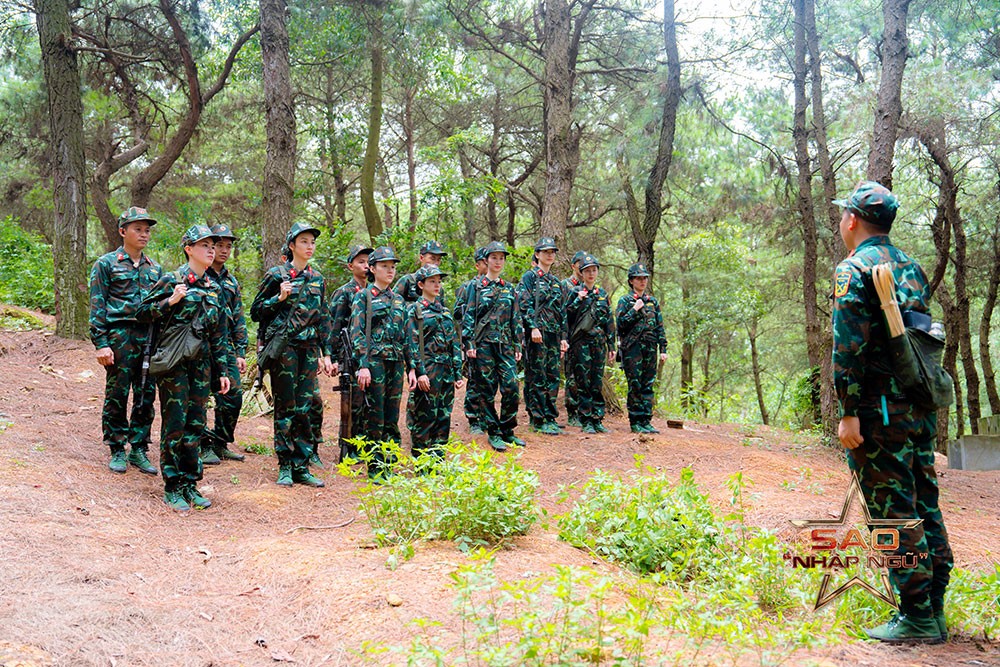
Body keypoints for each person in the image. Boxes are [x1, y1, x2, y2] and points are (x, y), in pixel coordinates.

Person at [832, 180, 953, 643]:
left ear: (853, 220)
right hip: (918, 405)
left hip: (879, 411)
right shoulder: (912, 267)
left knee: (891, 512)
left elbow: (849, 347)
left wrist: (847, 411)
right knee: (924, 502)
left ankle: (917, 614)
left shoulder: (854, 270)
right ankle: (934, 606)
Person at [137, 225, 232, 511]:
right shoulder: (173, 279)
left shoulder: (214, 287)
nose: (211, 250)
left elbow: (219, 334)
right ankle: (172, 485)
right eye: (204, 245)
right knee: (175, 424)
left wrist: (223, 371)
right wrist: (170, 301)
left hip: (201, 366)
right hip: (175, 365)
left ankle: (190, 483)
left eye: (212, 245)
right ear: (189, 249)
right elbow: (142, 313)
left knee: (196, 423)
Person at [250, 222, 332, 488]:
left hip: (308, 351)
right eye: (304, 241)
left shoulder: (317, 278)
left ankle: (302, 465)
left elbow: (323, 318)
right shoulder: (277, 275)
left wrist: (325, 352)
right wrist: (279, 298)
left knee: (306, 407)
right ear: (292, 245)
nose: (310, 246)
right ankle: (285, 464)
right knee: (286, 406)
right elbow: (256, 311)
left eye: (312, 242)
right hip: (285, 349)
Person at [89, 206, 163, 475]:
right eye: (138, 229)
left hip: (148, 337)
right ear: (123, 231)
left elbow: (159, 306)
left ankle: (139, 448)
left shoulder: (155, 269)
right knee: (118, 393)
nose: (144, 234)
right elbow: (98, 306)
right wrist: (101, 342)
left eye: (147, 230)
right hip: (119, 336)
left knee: (145, 394)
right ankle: (117, 447)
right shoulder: (106, 264)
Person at [350, 246, 408, 479]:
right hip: (374, 362)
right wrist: (362, 364)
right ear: (372, 269)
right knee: (375, 414)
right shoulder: (363, 297)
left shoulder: (399, 300)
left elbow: (406, 335)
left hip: (395, 362)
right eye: (384, 266)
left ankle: (389, 464)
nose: (390, 270)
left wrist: (412, 367)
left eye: (392, 266)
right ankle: (375, 467)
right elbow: (357, 333)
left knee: (392, 415)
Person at [463, 241, 524, 452]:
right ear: (486, 261)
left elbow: (515, 318)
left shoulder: (509, 289)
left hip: (505, 344)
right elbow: (469, 315)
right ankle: (494, 431)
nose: (498, 262)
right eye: (494, 258)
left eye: (501, 258)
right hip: (483, 345)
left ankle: (508, 429)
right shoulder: (476, 286)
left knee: (511, 386)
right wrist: (469, 342)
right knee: (486, 389)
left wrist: (518, 343)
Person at [405, 265, 464, 460]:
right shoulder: (415, 310)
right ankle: (422, 461)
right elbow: (412, 342)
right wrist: (419, 371)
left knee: (443, 416)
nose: (437, 285)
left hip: (446, 371)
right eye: (432, 281)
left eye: (439, 281)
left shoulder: (445, 312)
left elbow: (454, 342)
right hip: (428, 370)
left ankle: (438, 459)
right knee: (424, 416)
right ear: (421, 284)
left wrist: (457, 373)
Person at [201, 224, 248, 465]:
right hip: (200, 345)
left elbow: (239, 318)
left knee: (233, 395)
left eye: (228, 246)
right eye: (219, 245)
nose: (224, 250)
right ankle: (201, 444)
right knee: (199, 397)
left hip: (226, 347)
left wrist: (240, 351)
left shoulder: (231, 282)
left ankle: (220, 442)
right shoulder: (198, 274)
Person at [517, 237, 568, 435]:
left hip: (553, 335)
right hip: (537, 335)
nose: (549, 255)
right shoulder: (529, 278)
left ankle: (549, 416)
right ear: (537, 254)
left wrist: (564, 337)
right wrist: (533, 327)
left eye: (552, 252)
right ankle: (537, 418)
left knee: (552, 375)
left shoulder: (556, 282)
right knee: (536, 375)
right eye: (545, 252)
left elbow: (561, 311)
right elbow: (524, 303)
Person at [328, 243, 373, 460]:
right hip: (349, 355)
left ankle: (363, 443)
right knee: (353, 402)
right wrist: (334, 357)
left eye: (368, 262)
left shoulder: (373, 292)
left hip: (370, 356)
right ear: (350, 266)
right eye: (361, 262)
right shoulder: (344, 293)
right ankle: (349, 445)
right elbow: (334, 327)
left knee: (368, 402)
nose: (366, 266)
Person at [565, 254, 615, 433]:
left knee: (596, 382)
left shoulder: (602, 294)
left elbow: (609, 321)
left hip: (598, 343)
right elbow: (567, 317)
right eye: (587, 271)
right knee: (583, 381)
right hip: (581, 343)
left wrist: (612, 346)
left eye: (594, 270)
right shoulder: (574, 292)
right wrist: (578, 299)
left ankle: (597, 418)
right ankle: (585, 419)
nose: (591, 274)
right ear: (582, 273)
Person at [615, 263, 667, 433]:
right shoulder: (625, 301)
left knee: (648, 383)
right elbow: (620, 325)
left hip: (651, 348)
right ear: (631, 281)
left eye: (644, 278)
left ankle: (646, 420)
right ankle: (636, 420)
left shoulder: (652, 302)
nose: (642, 281)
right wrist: (634, 310)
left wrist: (663, 348)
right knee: (635, 384)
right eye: (638, 278)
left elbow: (659, 326)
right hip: (633, 349)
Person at [453, 247, 488, 433]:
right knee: (475, 380)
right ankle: (474, 419)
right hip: (474, 340)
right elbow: (457, 312)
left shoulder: (497, 286)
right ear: (478, 265)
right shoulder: (468, 287)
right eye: (485, 261)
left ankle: (487, 416)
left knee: (490, 382)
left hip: (492, 341)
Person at [561, 250, 587, 427]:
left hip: (588, 340)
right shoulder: (566, 285)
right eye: (580, 264)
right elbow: (563, 312)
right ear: (573, 266)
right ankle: (573, 413)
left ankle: (587, 412)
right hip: (570, 337)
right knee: (572, 376)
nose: (584, 267)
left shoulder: (591, 287)